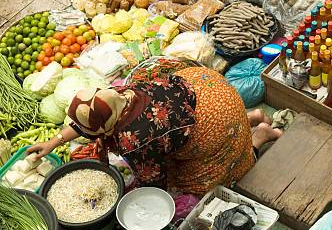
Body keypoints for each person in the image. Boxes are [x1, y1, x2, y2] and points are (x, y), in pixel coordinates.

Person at [28, 65, 282, 195]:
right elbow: (88, 123)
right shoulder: (118, 95)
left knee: (196, 180)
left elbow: (154, 182)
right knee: (204, 124)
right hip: (208, 90)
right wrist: (54, 141)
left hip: (217, 120)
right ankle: (249, 116)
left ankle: (259, 136)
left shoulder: (133, 140)